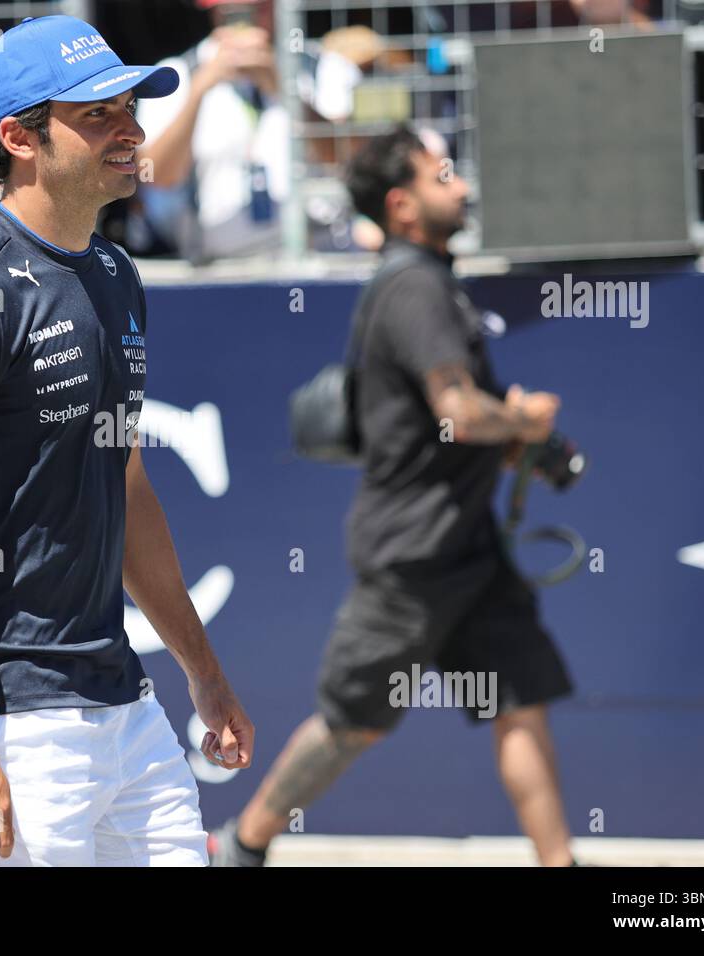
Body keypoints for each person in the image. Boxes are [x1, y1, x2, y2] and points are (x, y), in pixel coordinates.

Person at [0, 14, 254, 867]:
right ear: (18, 136)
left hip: (121, 698)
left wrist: (202, 669)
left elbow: (123, 487)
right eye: (97, 114)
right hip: (10, 714)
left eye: (129, 106)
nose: (130, 129)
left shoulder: (116, 274)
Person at [210, 125, 578, 867]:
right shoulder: (414, 286)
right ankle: (243, 848)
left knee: (518, 704)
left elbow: (458, 412)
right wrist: (525, 420)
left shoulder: (432, 281)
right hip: (411, 558)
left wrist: (534, 448)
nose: (464, 186)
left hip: (469, 549)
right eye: (445, 176)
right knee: (353, 724)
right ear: (404, 206)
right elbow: (459, 413)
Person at [134, 0, 361, 260]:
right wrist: (199, 91)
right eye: (232, 14)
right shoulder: (175, 75)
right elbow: (156, 177)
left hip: (320, 257)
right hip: (216, 268)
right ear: (212, 11)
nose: (244, 25)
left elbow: (349, 161)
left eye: (256, 10)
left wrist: (284, 90)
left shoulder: (326, 68)